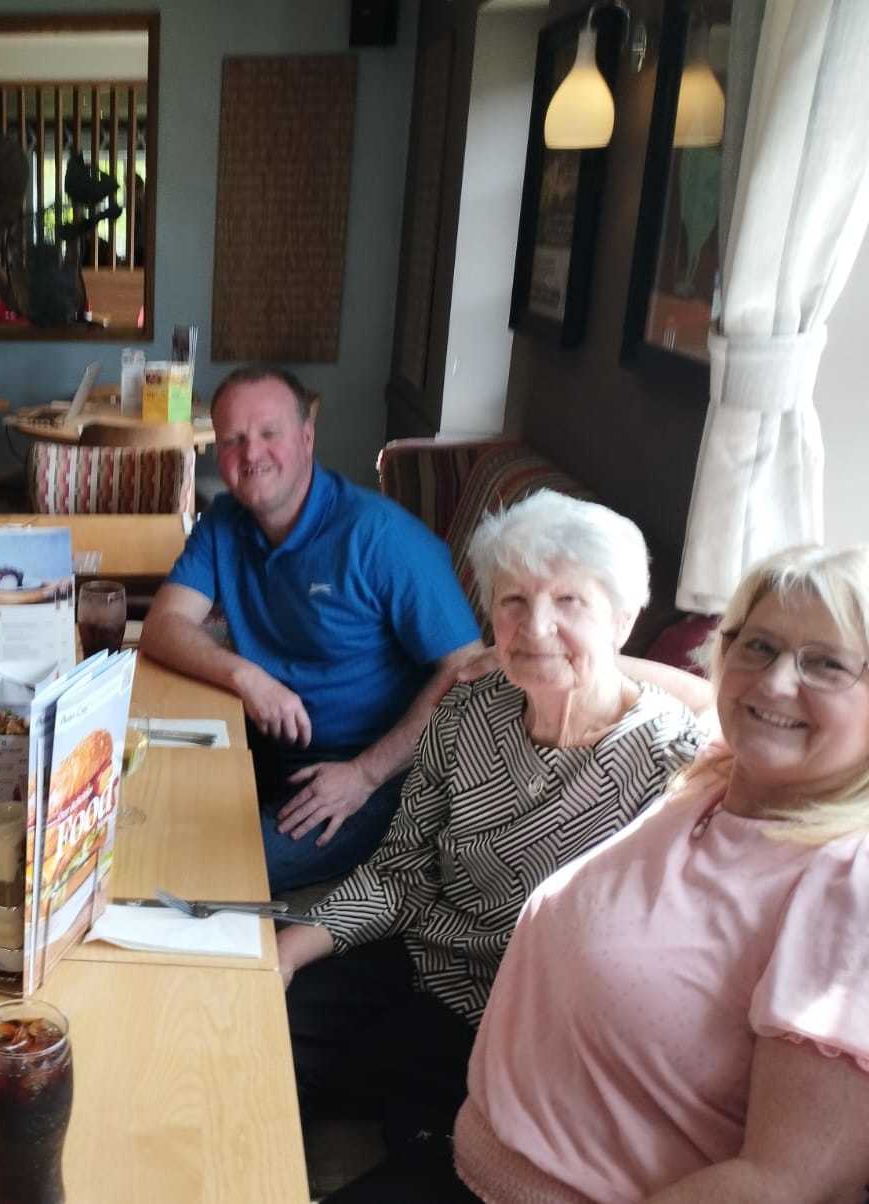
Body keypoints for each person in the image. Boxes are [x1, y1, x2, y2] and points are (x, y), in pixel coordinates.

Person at [280, 491, 707, 1199]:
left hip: (533, 1032)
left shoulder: (674, 764)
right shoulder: (468, 713)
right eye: (512, 601)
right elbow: (400, 873)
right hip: (421, 970)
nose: (535, 627)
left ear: (624, 616)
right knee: (250, 1028)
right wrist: (295, 944)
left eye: (570, 601)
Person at [454, 543, 869, 1203]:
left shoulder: (849, 878)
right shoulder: (716, 773)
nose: (775, 682)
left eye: (825, 664)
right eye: (758, 647)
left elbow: (782, 1184)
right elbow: (711, 694)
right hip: (469, 1161)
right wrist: (559, 656)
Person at [140, 365, 484, 891]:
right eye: (233, 439)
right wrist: (248, 678)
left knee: (201, 874)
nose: (250, 454)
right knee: (136, 812)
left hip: (366, 772)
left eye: (268, 434)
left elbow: (468, 670)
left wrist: (365, 774)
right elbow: (162, 625)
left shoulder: (381, 537)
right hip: (257, 737)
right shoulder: (224, 523)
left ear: (306, 437)